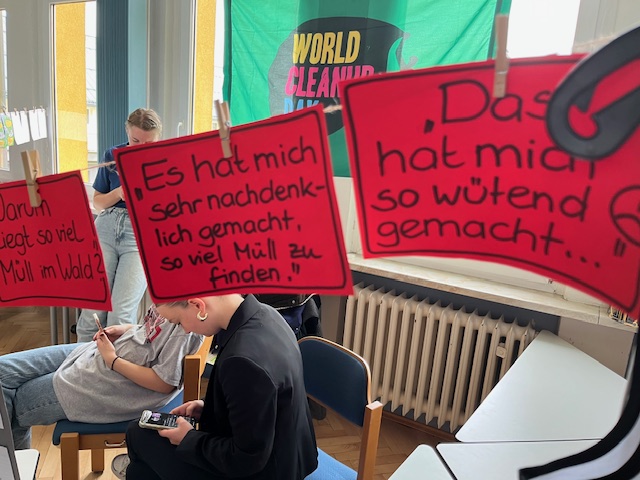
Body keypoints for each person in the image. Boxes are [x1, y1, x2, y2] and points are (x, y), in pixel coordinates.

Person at [123, 293, 318, 480]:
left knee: (138, 434)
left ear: (199, 306)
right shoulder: (267, 314)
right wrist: (210, 407)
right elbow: (259, 402)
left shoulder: (243, 361)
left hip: (264, 471)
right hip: (290, 454)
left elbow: (246, 459)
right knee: (139, 465)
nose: (185, 330)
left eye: (179, 322)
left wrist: (188, 439)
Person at [0, 305, 203, 450]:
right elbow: (150, 332)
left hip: (111, 384)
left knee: (11, 410)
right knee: (3, 371)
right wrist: (126, 330)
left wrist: (113, 360)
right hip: (99, 359)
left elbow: (164, 382)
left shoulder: (185, 326)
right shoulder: (172, 302)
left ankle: (13, 471)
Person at [75, 108, 163, 341]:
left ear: (158, 138)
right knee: (92, 311)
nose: (140, 147)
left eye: (148, 143)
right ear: (127, 132)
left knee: (120, 315)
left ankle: (113, 363)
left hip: (140, 233)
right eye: (135, 140)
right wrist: (119, 193)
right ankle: (79, 361)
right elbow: (98, 203)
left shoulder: (165, 160)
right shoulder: (112, 155)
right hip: (106, 226)